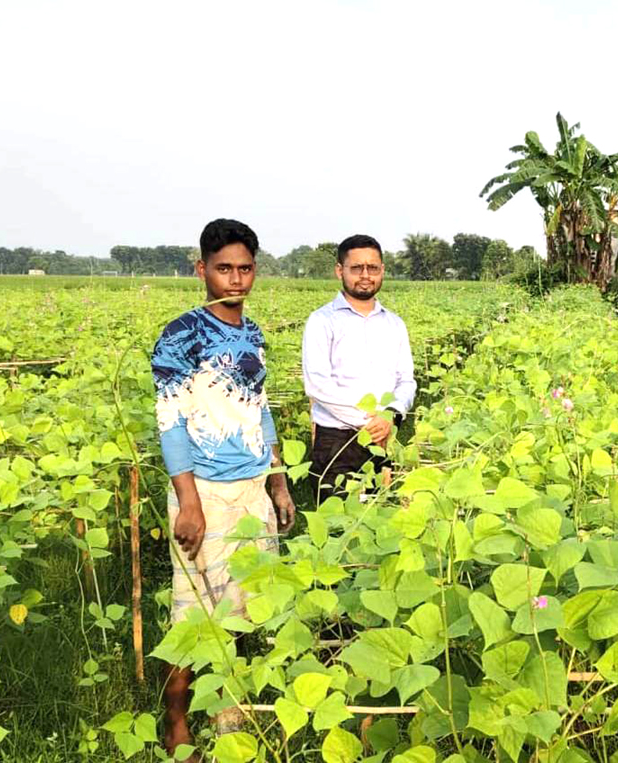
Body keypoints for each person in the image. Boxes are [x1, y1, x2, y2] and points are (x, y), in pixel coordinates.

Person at [151, 218, 295, 756]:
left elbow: (260, 410)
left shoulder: (252, 334)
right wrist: (189, 504)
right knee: (192, 616)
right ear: (202, 270)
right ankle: (176, 723)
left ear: (255, 271)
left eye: (244, 269)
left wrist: (278, 482)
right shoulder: (180, 335)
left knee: (238, 608)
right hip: (205, 491)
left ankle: (226, 712)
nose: (235, 279)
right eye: (223, 268)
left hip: (251, 487)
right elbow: (170, 423)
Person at [301, 234, 416, 501]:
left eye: (372, 268)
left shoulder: (394, 324)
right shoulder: (322, 321)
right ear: (339, 271)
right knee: (336, 516)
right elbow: (317, 384)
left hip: (383, 435)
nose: (365, 275)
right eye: (356, 268)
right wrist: (369, 422)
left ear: (382, 270)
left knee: (377, 512)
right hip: (337, 440)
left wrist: (390, 415)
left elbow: (406, 380)